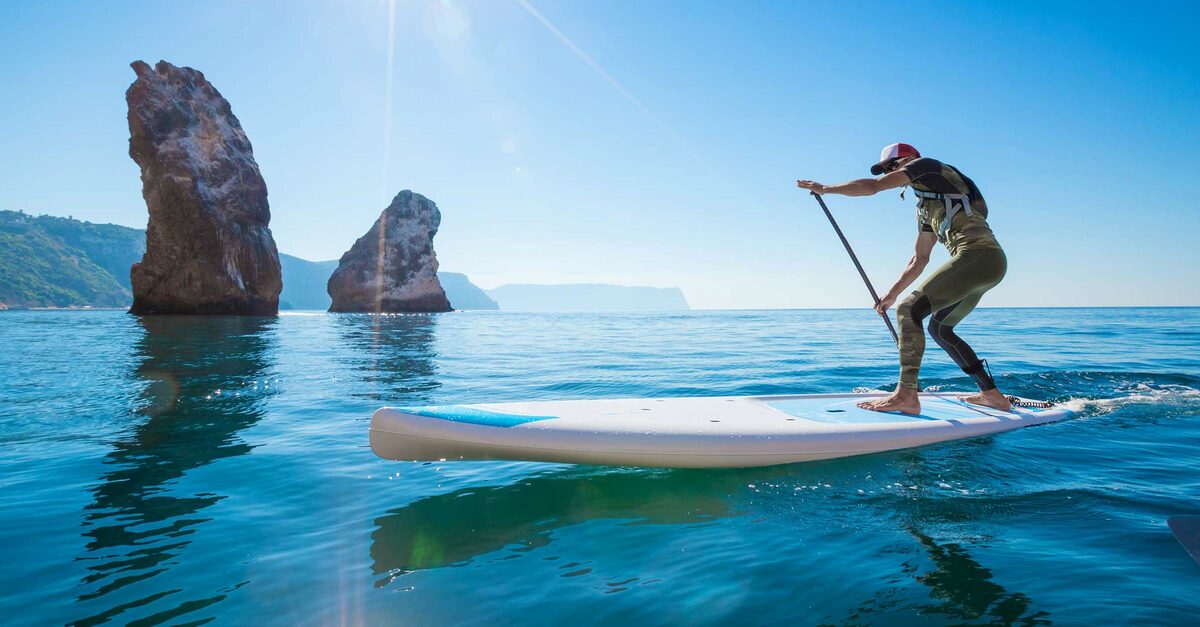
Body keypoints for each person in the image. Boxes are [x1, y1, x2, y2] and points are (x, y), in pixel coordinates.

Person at [796, 143, 1010, 414]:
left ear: (910, 159)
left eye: (893, 166)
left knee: (909, 310)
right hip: (986, 265)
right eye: (886, 169)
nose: (890, 172)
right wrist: (891, 294)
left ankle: (906, 395)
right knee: (939, 329)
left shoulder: (926, 165)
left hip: (979, 256)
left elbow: (873, 187)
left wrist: (826, 189)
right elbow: (919, 258)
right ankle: (992, 395)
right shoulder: (926, 207)